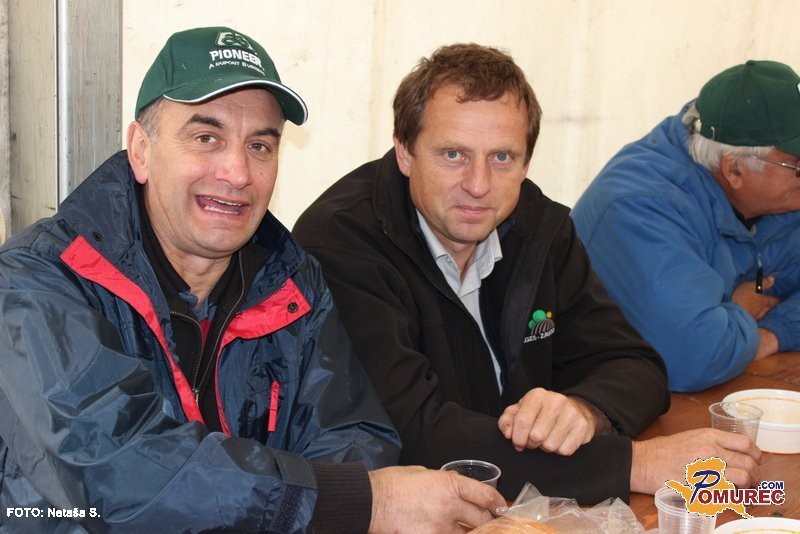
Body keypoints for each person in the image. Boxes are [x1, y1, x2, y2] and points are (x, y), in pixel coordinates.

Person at [0, 27, 504, 533]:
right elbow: (119, 474)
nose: (238, 172)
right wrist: (357, 503)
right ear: (141, 150)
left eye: (260, 145)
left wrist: (347, 498)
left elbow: (352, 440)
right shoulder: (37, 281)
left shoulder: (292, 282)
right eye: (207, 138)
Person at [293, 43, 762, 504]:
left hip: (530, 506)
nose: (479, 185)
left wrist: (582, 410)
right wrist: (633, 464)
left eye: (502, 157)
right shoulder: (341, 245)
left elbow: (634, 363)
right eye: (453, 154)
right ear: (404, 152)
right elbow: (412, 433)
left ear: (526, 162)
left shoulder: (539, 226)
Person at [570, 60, 800, 392]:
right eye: (796, 165)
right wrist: (740, 311)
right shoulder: (640, 207)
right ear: (734, 170)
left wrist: (772, 332)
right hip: (605, 406)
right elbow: (695, 356)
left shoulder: (780, 193)